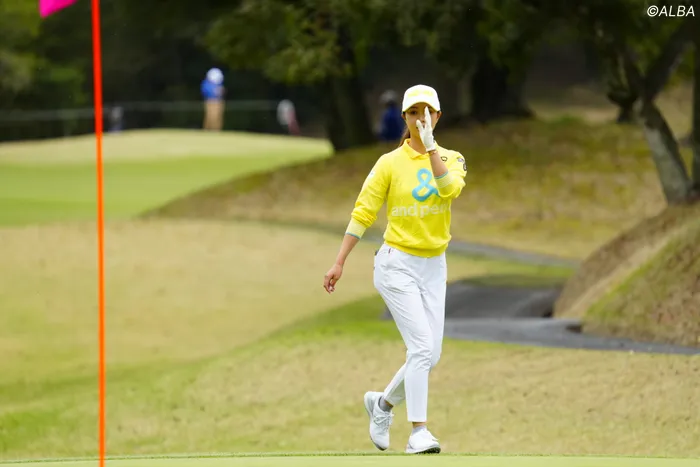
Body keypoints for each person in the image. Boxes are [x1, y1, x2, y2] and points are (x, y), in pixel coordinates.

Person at [322, 84, 468, 454]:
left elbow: (449, 189)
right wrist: (339, 261)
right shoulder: (389, 163)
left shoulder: (452, 158)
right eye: (414, 113)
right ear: (404, 117)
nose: (421, 119)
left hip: (434, 265)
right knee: (421, 347)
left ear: (438, 116)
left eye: (427, 112)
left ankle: (382, 405)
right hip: (396, 263)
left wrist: (431, 148)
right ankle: (419, 432)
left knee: (430, 354)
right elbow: (363, 212)